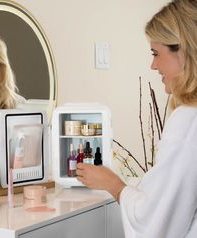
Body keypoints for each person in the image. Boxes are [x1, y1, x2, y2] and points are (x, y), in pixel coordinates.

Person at [76, 0, 197, 237]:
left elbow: (156, 223)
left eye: (156, 53)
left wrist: (114, 185)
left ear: (182, 51)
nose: (153, 65)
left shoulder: (188, 121)